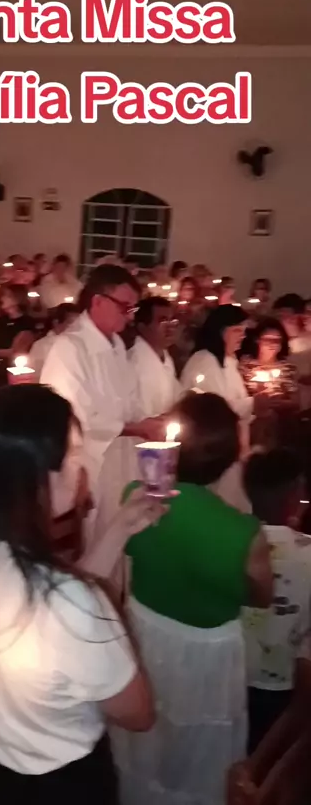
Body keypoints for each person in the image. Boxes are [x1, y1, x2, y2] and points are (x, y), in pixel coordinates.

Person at [0, 385, 157, 805]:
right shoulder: (72, 604)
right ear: (38, 477)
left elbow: (53, 611)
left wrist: (120, 528)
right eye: (72, 453)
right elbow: (139, 714)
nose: (81, 465)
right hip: (64, 784)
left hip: (0, 771)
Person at [117, 392, 273, 805]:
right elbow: (262, 596)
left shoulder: (136, 494)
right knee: (200, 751)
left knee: (148, 733)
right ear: (229, 457)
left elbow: (130, 549)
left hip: (145, 629)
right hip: (208, 650)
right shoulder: (243, 531)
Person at [41, 265, 163, 544]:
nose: (130, 316)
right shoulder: (69, 347)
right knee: (94, 541)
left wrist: (152, 421)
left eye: (133, 308)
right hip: (88, 466)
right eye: (125, 307)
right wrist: (134, 428)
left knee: (120, 536)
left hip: (121, 461)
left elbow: (130, 399)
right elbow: (73, 416)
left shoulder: (117, 344)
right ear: (97, 301)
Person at [242, 449, 311, 753]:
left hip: (233, 676)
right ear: (296, 494)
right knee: (273, 754)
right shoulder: (308, 553)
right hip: (288, 684)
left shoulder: (234, 542)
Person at [181, 304, 254, 420]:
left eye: (244, 331)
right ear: (220, 331)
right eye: (237, 330)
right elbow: (215, 408)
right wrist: (253, 403)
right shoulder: (205, 361)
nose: (243, 336)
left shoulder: (229, 360)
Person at [129, 297, 181, 418]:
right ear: (142, 327)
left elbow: (176, 395)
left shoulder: (166, 357)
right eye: (163, 322)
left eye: (172, 321)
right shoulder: (132, 363)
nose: (170, 328)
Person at [240, 318, 298, 402]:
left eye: (277, 340)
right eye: (268, 340)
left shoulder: (287, 368)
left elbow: (294, 401)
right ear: (257, 340)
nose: (272, 344)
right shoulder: (246, 364)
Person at [29, 302, 79, 378]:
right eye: (70, 323)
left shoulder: (82, 343)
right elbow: (35, 375)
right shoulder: (41, 346)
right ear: (56, 323)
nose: (76, 327)